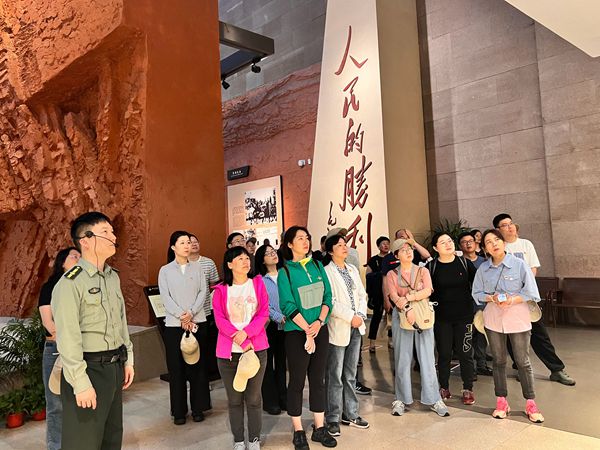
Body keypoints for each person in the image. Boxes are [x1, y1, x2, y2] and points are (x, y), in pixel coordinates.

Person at [51, 212, 134, 450]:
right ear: (85, 241)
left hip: (115, 367)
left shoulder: (112, 277)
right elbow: (68, 338)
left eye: (112, 231)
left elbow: (121, 321)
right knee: (83, 443)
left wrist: (128, 358)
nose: (113, 237)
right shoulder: (70, 283)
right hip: (88, 369)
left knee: (112, 439)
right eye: (105, 232)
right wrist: (80, 383)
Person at [493, 213, 575, 386]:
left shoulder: (526, 244)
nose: (510, 227)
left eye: (511, 223)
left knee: (539, 334)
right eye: (505, 225)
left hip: (526, 299)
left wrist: (522, 290)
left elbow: (532, 270)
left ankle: (556, 369)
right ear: (498, 230)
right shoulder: (498, 247)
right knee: (511, 336)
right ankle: (519, 368)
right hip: (507, 302)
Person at [472, 229, 544, 423]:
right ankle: (501, 401)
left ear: (504, 243)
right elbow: (476, 293)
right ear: (485, 248)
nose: (494, 244)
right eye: (488, 242)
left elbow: (532, 292)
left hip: (518, 318)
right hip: (493, 319)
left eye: (497, 239)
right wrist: (491, 298)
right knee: (498, 361)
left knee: (522, 361)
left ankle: (531, 403)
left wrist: (512, 300)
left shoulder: (519, 264)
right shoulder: (483, 269)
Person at [278, 226, 336, 449]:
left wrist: (319, 322)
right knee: (297, 381)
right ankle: (298, 430)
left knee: (318, 380)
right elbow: (287, 304)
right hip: (296, 333)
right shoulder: (285, 272)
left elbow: (328, 296)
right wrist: (307, 329)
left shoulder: (317, 265)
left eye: (307, 238)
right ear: (289, 244)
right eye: (300, 238)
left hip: (320, 329)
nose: (305, 241)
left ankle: (319, 428)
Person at [213, 246, 269, 450]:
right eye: (240, 258)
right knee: (234, 399)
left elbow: (263, 313)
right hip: (229, 354)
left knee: (254, 399)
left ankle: (254, 439)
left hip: (256, 350)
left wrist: (247, 333)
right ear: (229, 264)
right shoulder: (220, 290)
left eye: (247, 258)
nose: (246, 261)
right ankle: (238, 439)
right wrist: (242, 340)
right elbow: (220, 320)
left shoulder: (258, 283)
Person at [386, 238, 449, 418]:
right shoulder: (392, 274)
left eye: (410, 249)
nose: (408, 252)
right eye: (403, 250)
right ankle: (401, 398)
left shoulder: (422, 270)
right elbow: (393, 296)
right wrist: (407, 308)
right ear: (396, 255)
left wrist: (409, 298)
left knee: (427, 358)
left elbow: (428, 290)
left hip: (423, 315)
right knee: (402, 358)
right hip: (402, 316)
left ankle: (434, 398)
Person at [158, 231, 210, 425]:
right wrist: (181, 315)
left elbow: (203, 292)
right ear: (173, 247)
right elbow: (165, 297)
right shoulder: (165, 270)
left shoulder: (198, 268)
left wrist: (191, 313)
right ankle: (179, 411)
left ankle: (199, 408)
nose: (187, 246)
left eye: (188, 242)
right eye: (182, 243)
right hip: (174, 324)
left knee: (198, 367)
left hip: (197, 321)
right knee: (176, 369)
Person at [322, 235, 369, 438]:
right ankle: (333, 417)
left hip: (356, 326)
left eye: (345, 244)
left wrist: (360, 314)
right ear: (330, 250)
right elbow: (330, 301)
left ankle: (351, 413)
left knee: (350, 373)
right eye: (339, 245)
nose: (344, 247)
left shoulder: (352, 269)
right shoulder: (327, 271)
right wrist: (351, 316)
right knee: (335, 374)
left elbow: (362, 295)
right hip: (339, 326)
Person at [39, 247, 81, 450]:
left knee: (80, 400)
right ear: (62, 262)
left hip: (80, 349)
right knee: (56, 403)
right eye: (74, 256)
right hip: (56, 348)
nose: (79, 259)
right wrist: (70, 338)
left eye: (81, 256)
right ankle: (56, 446)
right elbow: (49, 323)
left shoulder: (81, 285)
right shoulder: (50, 287)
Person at [427, 233, 476, 405]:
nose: (448, 244)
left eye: (449, 241)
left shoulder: (465, 263)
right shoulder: (431, 267)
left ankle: (468, 388)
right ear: (435, 248)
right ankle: (444, 386)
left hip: (465, 316)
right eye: (443, 242)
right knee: (444, 353)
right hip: (441, 318)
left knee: (465, 353)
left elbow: (478, 284)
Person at [255, 244, 287, 415]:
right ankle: (270, 401)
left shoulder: (285, 274)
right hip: (268, 325)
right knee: (267, 363)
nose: (273, 254)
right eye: (268, 253)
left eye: (273, 251)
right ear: (262, 260)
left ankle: (284, 397)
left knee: (282, 363)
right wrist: (277, 316)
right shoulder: (259, 280)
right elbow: (261, 304)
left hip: (288, 323)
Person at [458, 231, 492, 377]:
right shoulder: (458, 263)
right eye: (464, 242)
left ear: (475, 242)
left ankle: (482, 365)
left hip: (483, 304)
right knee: (467, 336)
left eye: (470, 241)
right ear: (460, 246)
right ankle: (469, 368)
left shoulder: (485, 262)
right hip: (465, 304)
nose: (468, 244)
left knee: (481, 335)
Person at [189, 233, 221, 381]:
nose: (194, 244)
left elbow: (214, 285)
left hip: (206, 311)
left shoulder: (208, 263)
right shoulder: (182, 264)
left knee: (205, 345)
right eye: (190, 242)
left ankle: (204, 378)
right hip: (187, 314)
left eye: (196, 241)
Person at [365, 236, 390, 352]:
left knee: (391, 317)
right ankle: (372, 342)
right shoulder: (373, 260)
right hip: (377, 293)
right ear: (378, 246)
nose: (386, 245)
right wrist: (379, 275)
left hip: (391, 292)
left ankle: (391, 340)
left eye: (387, 243)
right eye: (383, 244)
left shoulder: (392, 258)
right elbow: (368, 276)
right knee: (376, 317)